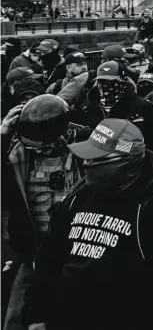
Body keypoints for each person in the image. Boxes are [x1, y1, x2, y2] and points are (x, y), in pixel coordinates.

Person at [22, 119, 153, 330]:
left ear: (127, 162)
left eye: (96, 159)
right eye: (87, 158)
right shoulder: (81, 193)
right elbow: (50, 256)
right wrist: (38, 311)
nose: (85, 164)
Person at [1, 95, 84, 330]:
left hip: (72, 253)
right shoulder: (14, 153)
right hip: (33, 253)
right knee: (15, 320)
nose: (30, 149)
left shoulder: (82, 148)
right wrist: (2, 136)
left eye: (37, 145)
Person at [76, 60, 153, 155]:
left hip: (135, 165)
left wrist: (110, 143)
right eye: (101, 81)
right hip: (99, 165)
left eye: (111, 82)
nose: (104, 86)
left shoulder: (144, 107)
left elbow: (151, 144)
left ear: (123, 81)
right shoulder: (90, 107)